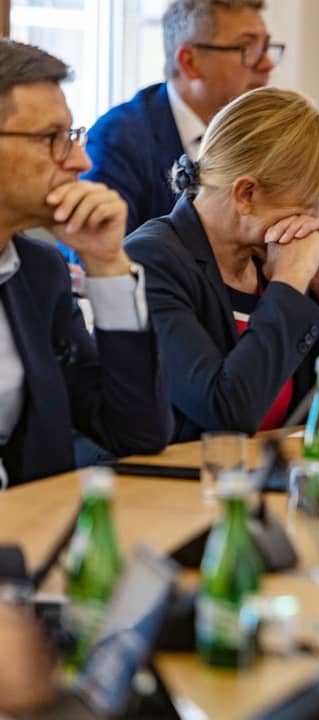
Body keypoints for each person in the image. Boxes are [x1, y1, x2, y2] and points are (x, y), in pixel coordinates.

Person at [125, 87, 319, 442]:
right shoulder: (151, 261)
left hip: (277, 468)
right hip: (180, 474)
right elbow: (226, 411)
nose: (317, 224)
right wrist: (288, 283)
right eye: (306, 207)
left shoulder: (273, 252)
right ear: (246, 194)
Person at [0, 40, 172, 486]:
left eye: (72, 136)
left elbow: (136, 432)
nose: (81, 160)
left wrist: (107, 263)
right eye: (52, 138)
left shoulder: (39, 273)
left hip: (33, 521)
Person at [84, 0, 281, 234]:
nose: (267, 64)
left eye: (265, 47)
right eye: (247, 48)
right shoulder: (116, 142)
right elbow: (97, 251)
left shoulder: (263, 133)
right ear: (190, 62)